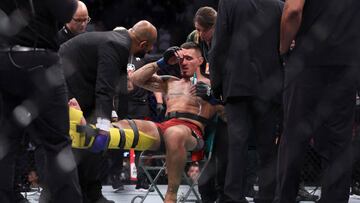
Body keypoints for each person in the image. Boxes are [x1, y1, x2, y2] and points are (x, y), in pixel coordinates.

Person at [68, 42, 223, 203]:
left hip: (192, 131)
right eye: (181, 59)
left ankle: (171, 196)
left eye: (188, 58)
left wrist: (211, 96)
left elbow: (226, 114)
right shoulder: (170, 82)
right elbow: (135, 79)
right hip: (165, 126)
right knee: (128, 124)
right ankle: (89, 134)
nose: (183, 62)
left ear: (200, 60)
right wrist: (161, 62)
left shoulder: (212, 85)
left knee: (174, 133)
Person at [60, 20, 157, 203]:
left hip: (77, 83)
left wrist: (110, 113)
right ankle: (84, 195)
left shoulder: (119, 42)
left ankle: (91, 194)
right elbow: (104, 89)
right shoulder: (117, 45)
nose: (149, 52)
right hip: (70, 85)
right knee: (85, 138)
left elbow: (113, 86)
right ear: (143, 44)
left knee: (89, 141)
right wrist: (104, 127)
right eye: (149, 48)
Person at [275, 0, 360, 202]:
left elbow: (293, 10)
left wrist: (283, 48)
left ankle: (285, 198)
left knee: (294, 137)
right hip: (346, 64)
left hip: (308, 61)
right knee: (339, 142)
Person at [0, 0, 82, 202]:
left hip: (4, 61)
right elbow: (67, 11)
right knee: (57, 142)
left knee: (6, 140)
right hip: (39, 60)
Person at [209, 0, 284, 202]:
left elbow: (218, 46)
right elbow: (284, 47)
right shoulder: (279, 5)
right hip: (269, 84)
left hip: (237, 83)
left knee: (237, 144)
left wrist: (216, 84)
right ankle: (268, 196)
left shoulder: (229, 3)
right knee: (268, 146)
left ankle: (233, 196)